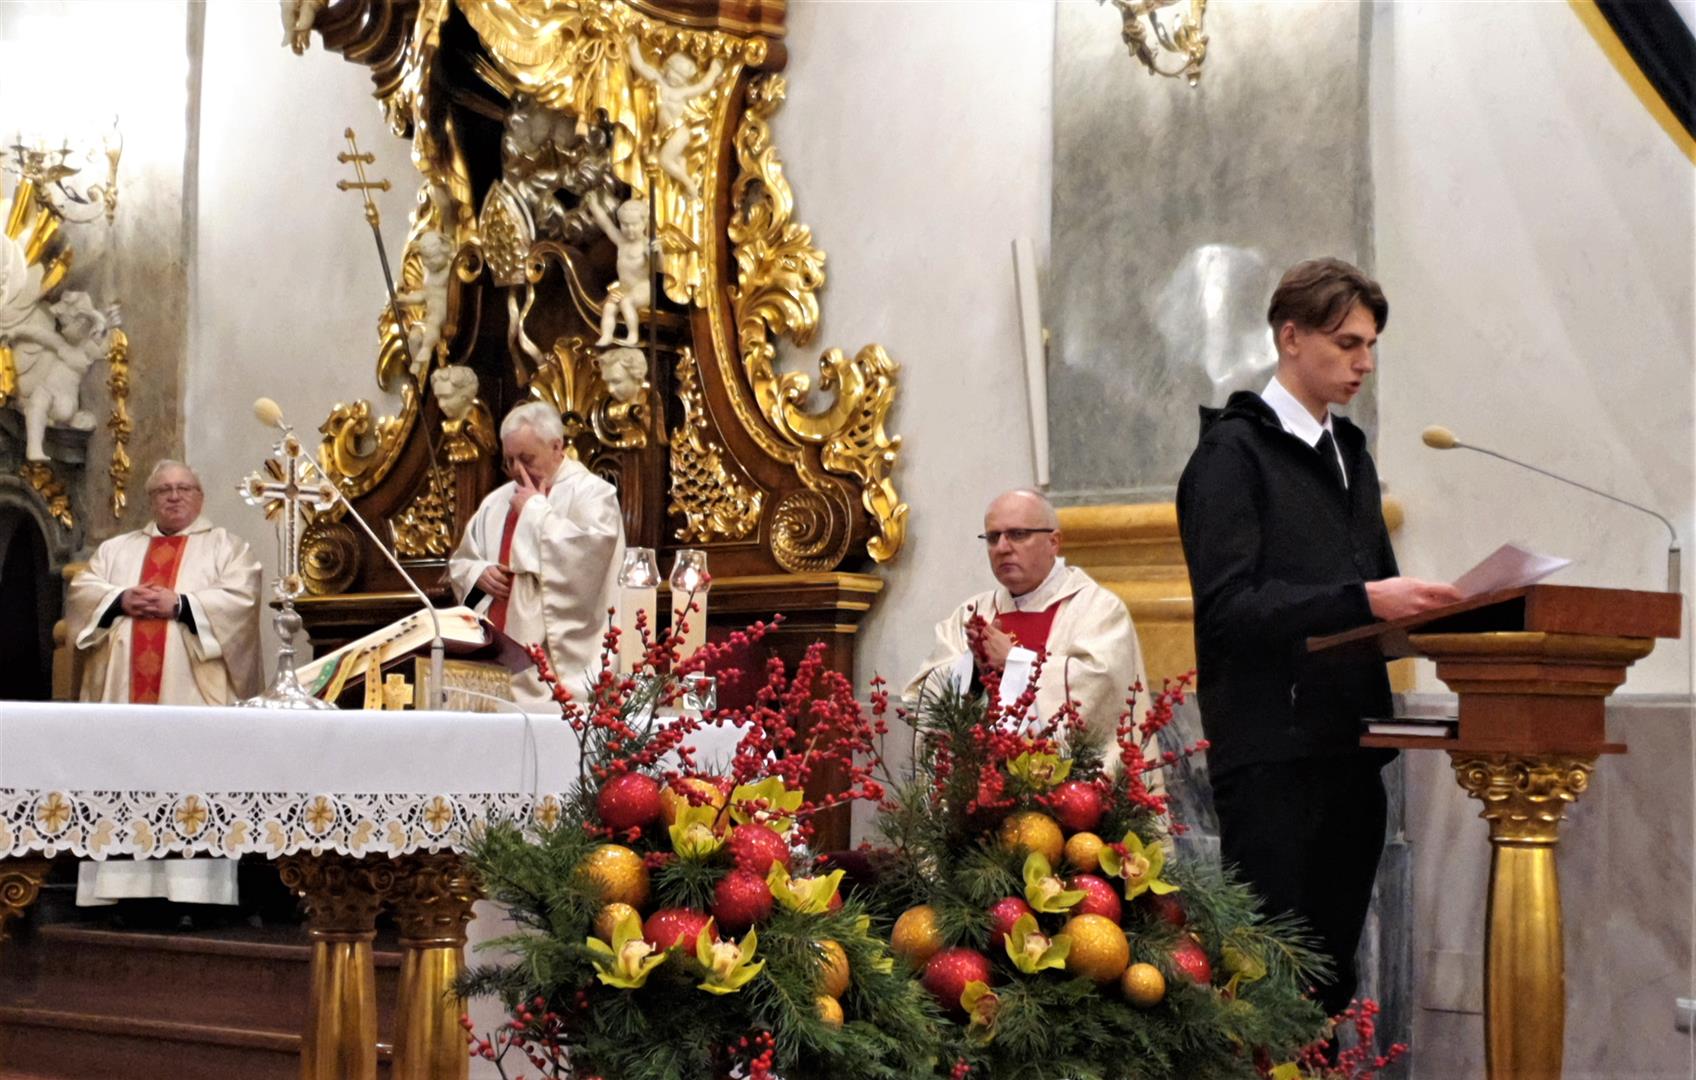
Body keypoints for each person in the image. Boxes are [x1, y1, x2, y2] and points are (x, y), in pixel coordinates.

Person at [1175, 257, 1461, 1017]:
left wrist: (1440, 620)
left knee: (1330, 985)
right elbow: (1229, 611)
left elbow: (1375, 594)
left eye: (1370, 346)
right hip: (1273, 756)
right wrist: (1362, 599)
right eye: (1347, 343)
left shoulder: (1352, 453)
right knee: (1268, 987)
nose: (1364, 362)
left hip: (1351, 748)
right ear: (1291, 337)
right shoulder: (1230, 456)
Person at [65, 459, 263, 911]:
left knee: (190, 778)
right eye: (163, 490)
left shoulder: (226, 547)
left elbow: (242, 599)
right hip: (123, 700)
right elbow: (82, 592)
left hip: (192, 698)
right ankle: (123, 891)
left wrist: (183, 605)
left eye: (183, 488)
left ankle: (193, 896)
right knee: (123, 777)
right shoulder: (116, 550)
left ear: (200, 496)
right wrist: (119, 598)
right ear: (151, 499)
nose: (174, 497)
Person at [905, 488, 1147, 759]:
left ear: (1053, 542)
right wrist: (972, 668)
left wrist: (1013, 660)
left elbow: (1103, 687)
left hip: (1064, 780)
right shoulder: (971, 614)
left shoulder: (1096, 609)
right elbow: (924, 695)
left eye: (1018, 534)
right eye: (993, 537)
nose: (1002, 548)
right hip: (978, 777)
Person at [448, 401, 626, 706]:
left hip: (557, 675)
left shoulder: (592, 494)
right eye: (509, 461)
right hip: (494, 670)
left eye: (526, 458)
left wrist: (533, 511)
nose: (517, 470)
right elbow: (462, 563)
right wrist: (478, 575)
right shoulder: (495, 503)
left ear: (557, 446)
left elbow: (588, 561)